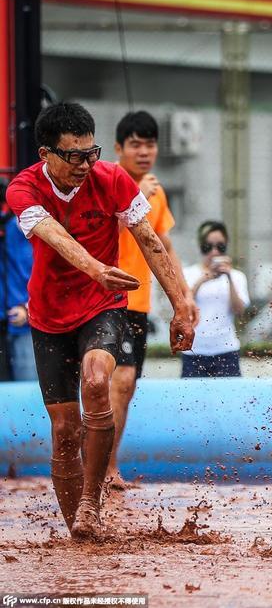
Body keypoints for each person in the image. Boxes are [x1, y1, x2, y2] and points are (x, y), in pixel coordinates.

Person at [6, 101, 194, 539]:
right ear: (45, 155)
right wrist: (93, 265)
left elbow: (150, 240)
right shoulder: (23, 187)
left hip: (102, 305)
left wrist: (181, 305)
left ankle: (92, 502)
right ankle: (78, 528)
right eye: (72, 156)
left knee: (98, 381)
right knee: (64, 429)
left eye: (90, 153)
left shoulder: (111, 178)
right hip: (49, 316)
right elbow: (52, 234)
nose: (84, 164)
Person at [107, 110, 194, 488]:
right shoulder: (105, 181)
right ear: (118, 148)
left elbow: (164, 245)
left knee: (126, 385)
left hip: (137, 303)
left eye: (150, 144)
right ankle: (96, 470)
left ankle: (107, 468)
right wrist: (135, 197)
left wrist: (184, 293)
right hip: (100, 299)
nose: (144, 152)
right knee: (112, 380)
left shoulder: (156, 191)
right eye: (135, 144)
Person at [181, 221, 249, 377]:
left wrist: (229, 277)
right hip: (194, 351)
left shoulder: (237, 277)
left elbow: (239, 310)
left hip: (226, 350)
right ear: (200, 246)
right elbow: (183, 306)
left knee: (230, 400)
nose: (214, 252)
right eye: (208, 247)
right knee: (191, 401)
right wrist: (204, 279)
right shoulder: (188, 273)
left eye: (220, 247)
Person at [2, 209, 36, 380]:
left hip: (26, 324)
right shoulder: (8, 227)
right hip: (11, 321)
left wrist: (28, 306)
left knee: (31, 391)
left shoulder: (22, 226)